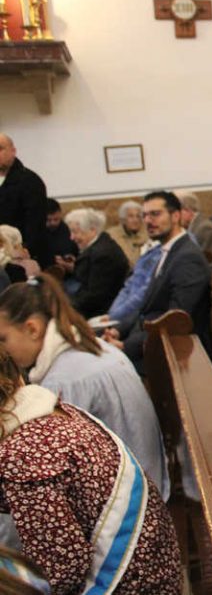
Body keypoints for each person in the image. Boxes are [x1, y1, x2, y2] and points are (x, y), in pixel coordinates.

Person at [0, 350, 181, 594]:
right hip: (159, 565)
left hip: (132, 583)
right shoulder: (49, 410)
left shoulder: (21, 457)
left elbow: (63, 569)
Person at [0, 275, 168, 497]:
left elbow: (47, 466)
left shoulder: (65, 379)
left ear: (33, 329)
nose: (3, 350)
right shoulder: (92, 346)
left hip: (128, 499)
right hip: (143, 480)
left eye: (3, 339)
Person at [104, 191, 212, 373]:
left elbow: (176, 321)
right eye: (145, 215)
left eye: (155, 214)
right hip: (149, 338)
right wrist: (118, 330)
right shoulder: (168, 250)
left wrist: (125, 347)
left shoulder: (187, 258)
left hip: (176, 352)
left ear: (175, 216)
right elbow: (146, 306)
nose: (148, 221)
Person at [63, 208, 129, 318]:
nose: (72, 237)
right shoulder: (101, 244)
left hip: (100, 313)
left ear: (92, 230)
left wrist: (65, 308)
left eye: (75, 232)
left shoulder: (103, 254)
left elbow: (94, 297)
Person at [0, 134, 49, 268]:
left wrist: (26, 249)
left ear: (13, 151)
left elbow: (36, 224)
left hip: (21, 256)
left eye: (0, 149)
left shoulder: (30, 181)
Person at [174, 190, 212, 278]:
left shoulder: (206, 229)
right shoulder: (193, 227)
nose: (175, 217)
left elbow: (210, 265)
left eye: (176, 212)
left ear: (188, 210)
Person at [106, 200, 149, 268]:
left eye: (138, 216)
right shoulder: (111, 235)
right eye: (131, 216)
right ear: (123, 219)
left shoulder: (149, 233)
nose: (135, 220)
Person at [44, 198, 78, 262]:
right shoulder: (37, 231)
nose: (53, 223)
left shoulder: (69, 229)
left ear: (60, 214)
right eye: (48, 220)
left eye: (56, 219)